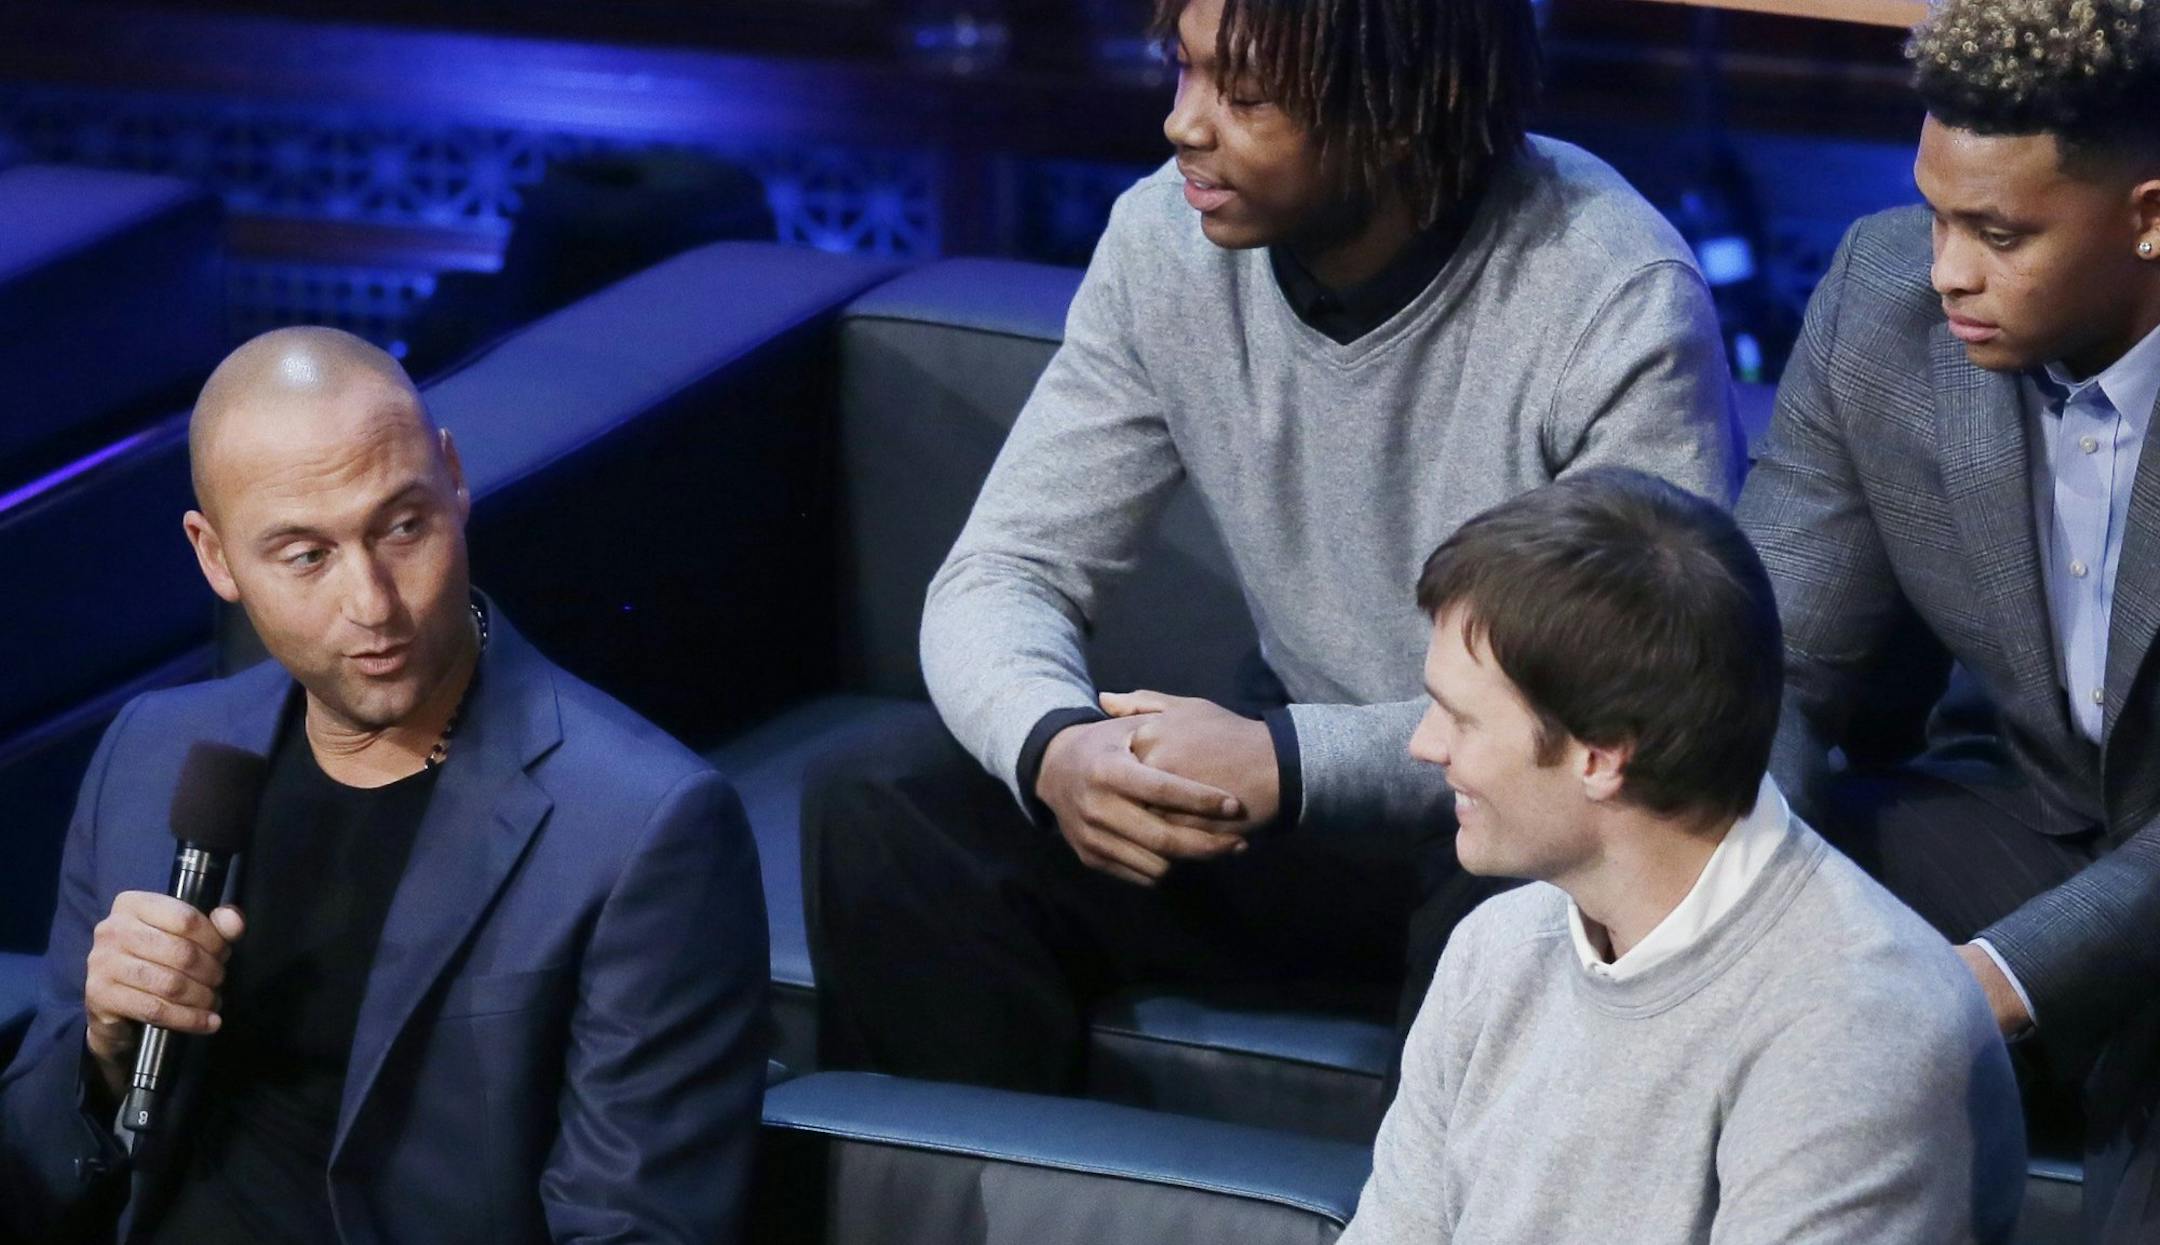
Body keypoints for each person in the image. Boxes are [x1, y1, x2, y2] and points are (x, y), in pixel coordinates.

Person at [807, 0, 1738, 1091]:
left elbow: (1623, 711)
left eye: (1243, 96)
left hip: (1507, 822)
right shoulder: (1166, 242)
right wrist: (1055, 745)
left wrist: (1291, 762)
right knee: (886, 807)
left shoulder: (1608, 293)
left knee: (1559, 878)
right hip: (1290, 809)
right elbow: (1005, 570)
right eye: (1184, 73)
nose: (1183, 126)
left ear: (1403, 109)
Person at [0, 328, 769, 1243]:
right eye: (306, 556)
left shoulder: (642, 826)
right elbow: (32, 1179)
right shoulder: (154, 751)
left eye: (402, 527)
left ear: (454, 479)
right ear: (216, 559)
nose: (372, 603)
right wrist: (101, 1050)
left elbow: (633, 1229)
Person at [1342, 468, 2025, 1244]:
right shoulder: (1491, 954)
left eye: (1461, 718)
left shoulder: (1861, 1025)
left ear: (1600, 757)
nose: (1423, 745)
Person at [1734, 0, 2160, 1236]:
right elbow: (1772, 668)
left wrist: (1976, 990)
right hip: (2030, 816)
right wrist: (1720, 924)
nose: (1945, 270)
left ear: (2148, 216)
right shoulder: (1882, 301)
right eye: (1934, 211)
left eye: (1998, 231)